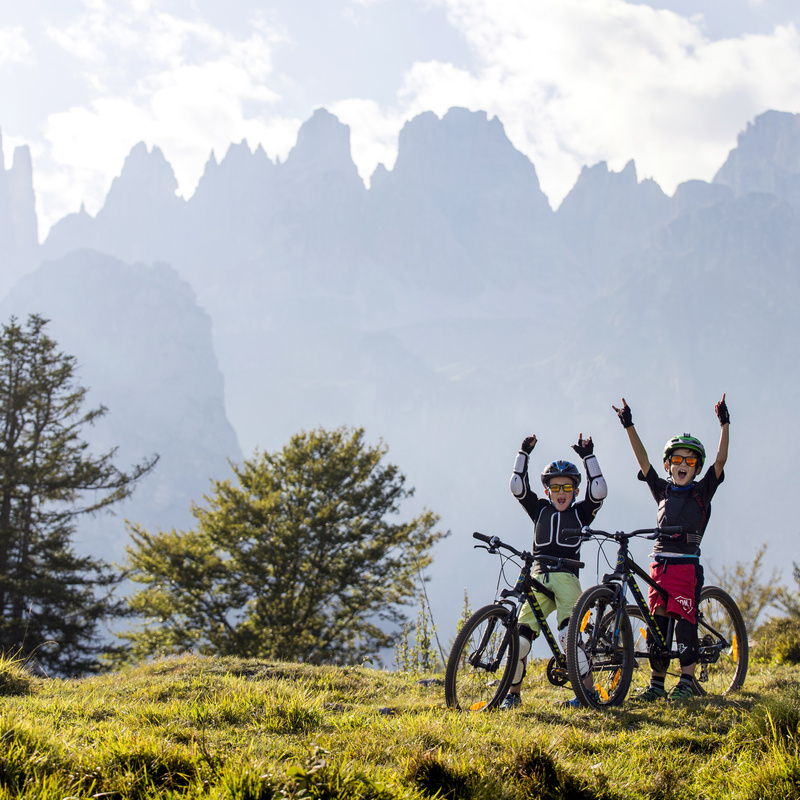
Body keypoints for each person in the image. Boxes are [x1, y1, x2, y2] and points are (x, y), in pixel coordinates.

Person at [611, 394, 730, 702]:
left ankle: (687, 682)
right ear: (669, 464)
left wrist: (724, 423)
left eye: (690, 461)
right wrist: (628, 425)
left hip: (685, 567)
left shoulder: (703, 491)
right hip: (659, 567)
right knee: (658, 627)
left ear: (696, 467)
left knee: (685, 625)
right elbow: (643, 461)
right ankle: (656, 684)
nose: (683, 464)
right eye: (677, 459)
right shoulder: (662, 489)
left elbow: (720, 461)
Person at [501, 433, 608, 710]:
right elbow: (516, 486)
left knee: (568, 637)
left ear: (575, 490)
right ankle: (513, 695)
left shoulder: (581, 513)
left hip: (567, 579)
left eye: (568, 487)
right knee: (521, 640)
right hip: (538, 578)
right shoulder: (539, 510)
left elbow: (598, 491)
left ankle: (587, 694)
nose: (561, 493)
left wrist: (589, 458)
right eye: (555, 487)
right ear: (547, 490)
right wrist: (523, 452)